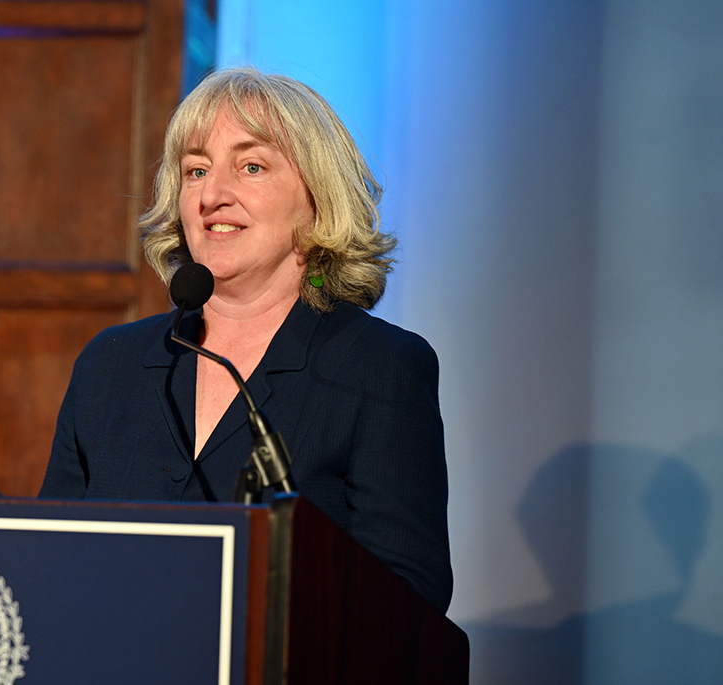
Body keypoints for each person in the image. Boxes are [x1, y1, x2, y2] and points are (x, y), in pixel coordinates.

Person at [39, 68, 452, 613]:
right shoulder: (110, 365)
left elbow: (408, 598)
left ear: (317, 198)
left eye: (251, 166)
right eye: (195, 171)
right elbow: (44, 560)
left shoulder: (380, 368)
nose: (212, 194)